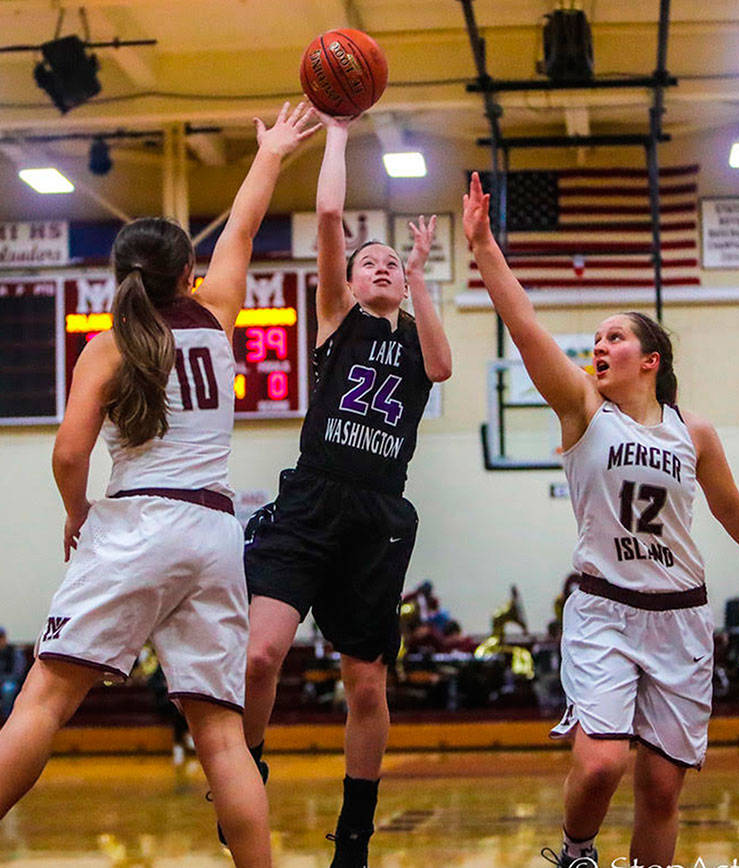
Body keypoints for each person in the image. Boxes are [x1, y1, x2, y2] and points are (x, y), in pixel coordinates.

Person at [0, 102, 320, 868]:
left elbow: (69, 456)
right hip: (215, 533)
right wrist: (270, 154)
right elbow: (241, 231)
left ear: (119, 276)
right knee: (223, 736)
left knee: (47, 696)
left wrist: (77, 515)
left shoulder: (107, 348)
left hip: (137, 525)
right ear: (186, 275)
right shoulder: (219, 317)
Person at [462, 172, 739, 868]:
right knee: (599, 766)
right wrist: (482, 247)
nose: (598, 346)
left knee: (660, 792)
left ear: (649, 361)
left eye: (613, 337)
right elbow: (526, 328)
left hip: (680, 617)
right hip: (604, 611)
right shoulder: (583, 411)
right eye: (594, 338)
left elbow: (727, 504)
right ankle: (575, 852)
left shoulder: (695, 433)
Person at [240, 112, 452, 868]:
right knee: (260, 657)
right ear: (351, 282)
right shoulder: (337, 320)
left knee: (365, 683)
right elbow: (330, 214)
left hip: (378, 515)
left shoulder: (414, 338)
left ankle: (354, 835)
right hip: (310, 500)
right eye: (372, 263)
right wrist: (337, 129)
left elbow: (444, 368)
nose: (383, 268)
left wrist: (423, 276)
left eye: (393, 262)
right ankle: (248, 761)